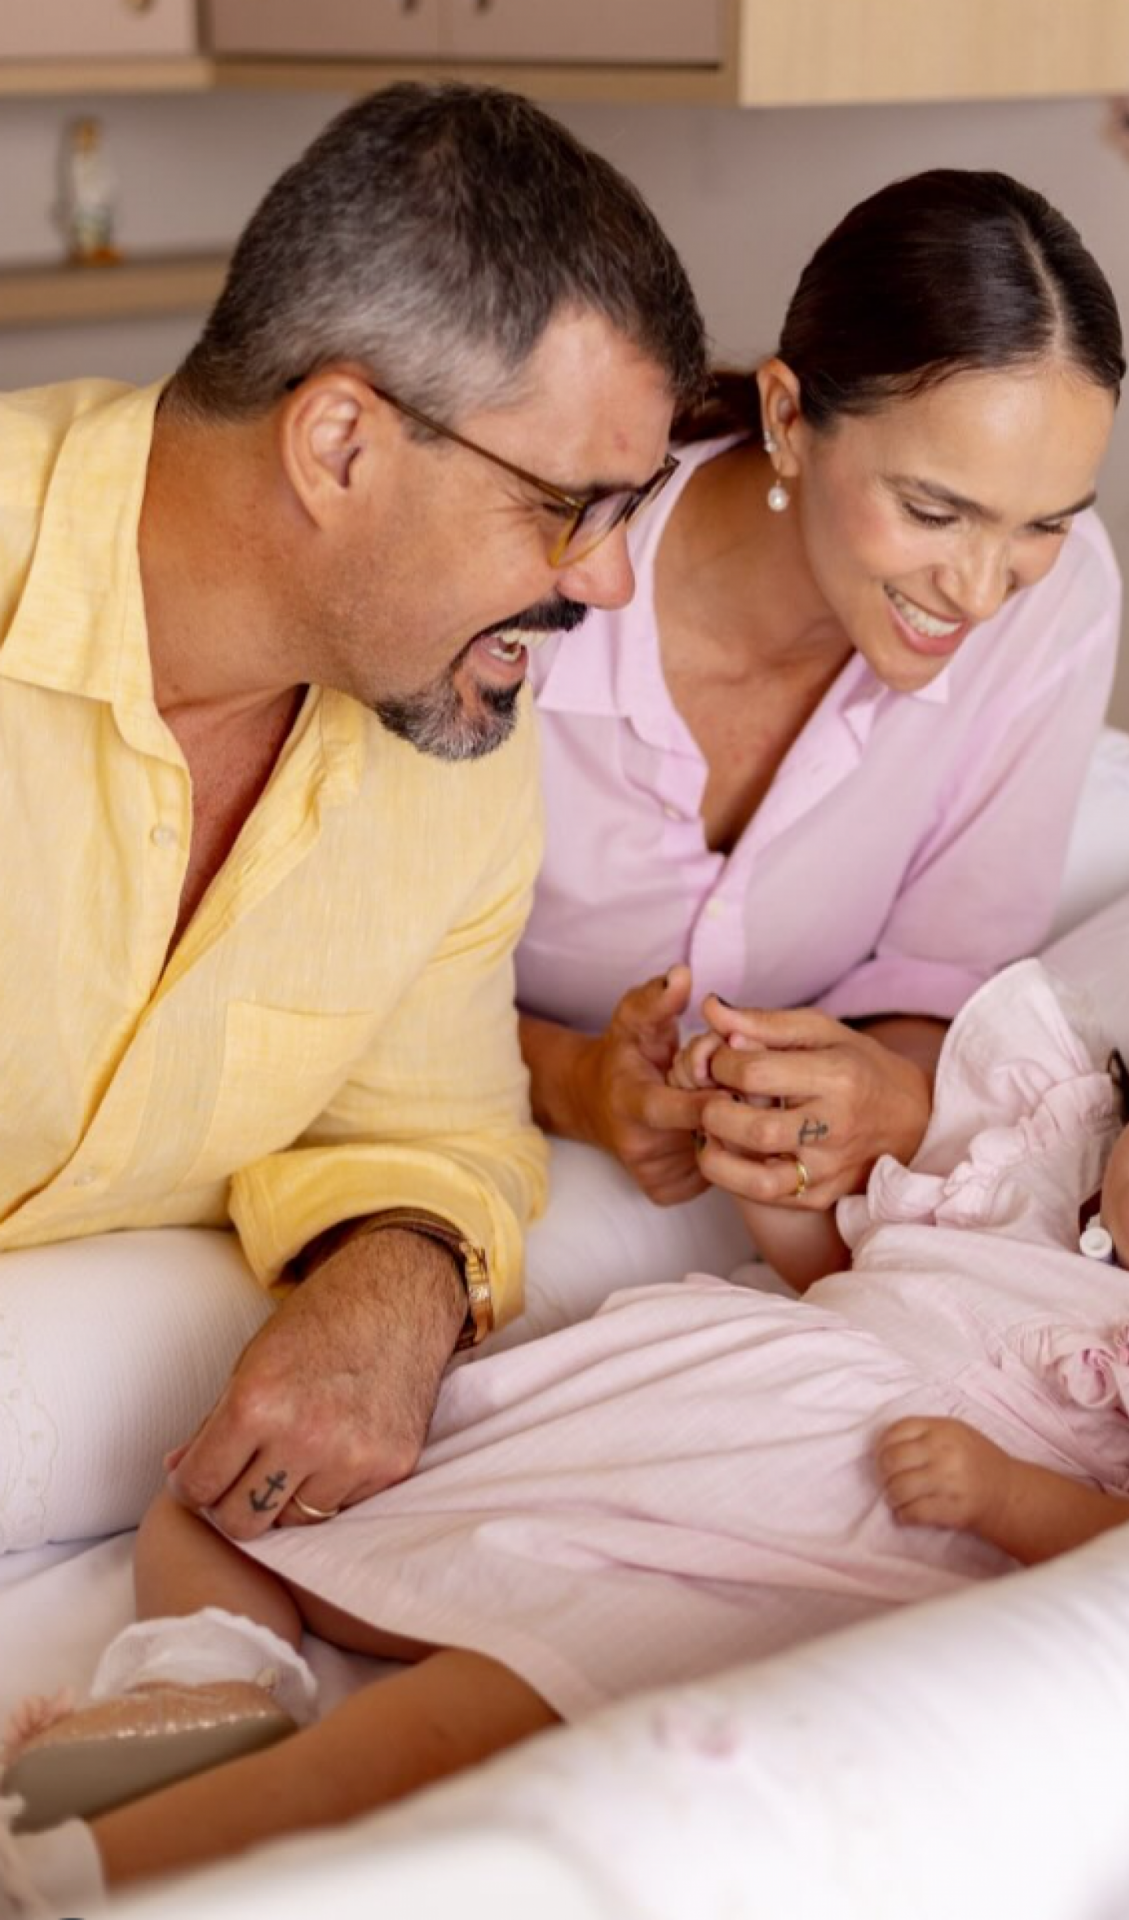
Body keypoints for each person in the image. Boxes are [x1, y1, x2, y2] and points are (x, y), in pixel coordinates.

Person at [7, 949, 1129, 1909]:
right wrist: (754, 1176)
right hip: (667, 1410)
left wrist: (1001, 1496)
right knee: (238, 1489)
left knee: (472, 1710)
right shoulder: (1029, 1161)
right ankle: (212, 1676)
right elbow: (842, 1262)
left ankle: (83, 1880)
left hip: (789, 1524)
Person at [0, 80, 706, 1546]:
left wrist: (401, 1282)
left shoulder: (449, 746)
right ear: (337, 445)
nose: (607, 583)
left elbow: (436, 1131)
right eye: (568, 507)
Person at [516, 168, 1126, 1247]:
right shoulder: (536, 585)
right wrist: (571, 1082)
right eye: (933, 510)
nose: (982, 593)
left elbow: (939, 975)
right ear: (788, 417)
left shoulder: (1058, 602)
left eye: (1042, 523)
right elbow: (344, 974)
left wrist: (893, 1084)